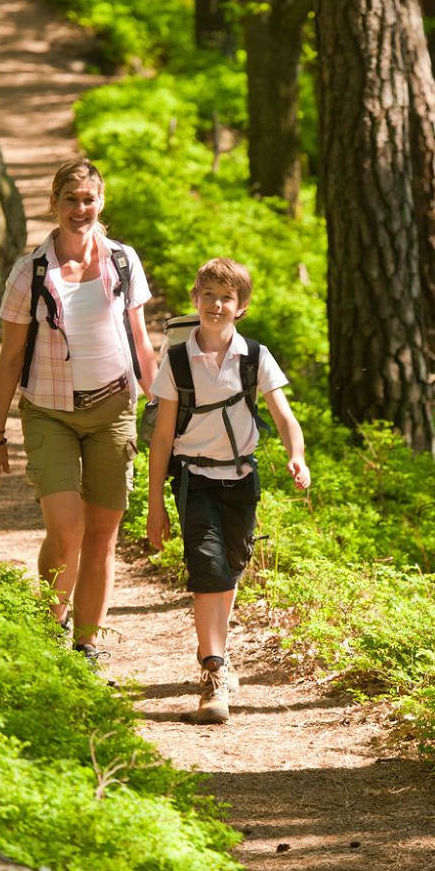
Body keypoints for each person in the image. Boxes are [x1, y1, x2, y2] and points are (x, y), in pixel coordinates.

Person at [0, 158, 157, 669]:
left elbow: (140, 341)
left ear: (101, 202)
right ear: (54, 203)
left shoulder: (123, 261)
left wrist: (160, 405)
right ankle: (49, 622)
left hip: (114, 411)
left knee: (102, 537)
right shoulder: (30, 272)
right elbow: (11, 358)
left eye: (88, 200)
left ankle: (86, 648)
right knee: (66, 531)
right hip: (49, 413)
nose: (80, 209)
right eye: (70, 200)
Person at [146, 258, 310, 725]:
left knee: (231, 567)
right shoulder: (178, 361)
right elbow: (162, 438)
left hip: (241, 480)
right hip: (194, 478)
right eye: (209, 295)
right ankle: (213, 672)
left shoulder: (254, 356)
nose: (216, 305)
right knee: (208, 568)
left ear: (241, 307)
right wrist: (155, 505)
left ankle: (217, 649)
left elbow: (283, 416)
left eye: (227, 298)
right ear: (195, 299)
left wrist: (297, 456)